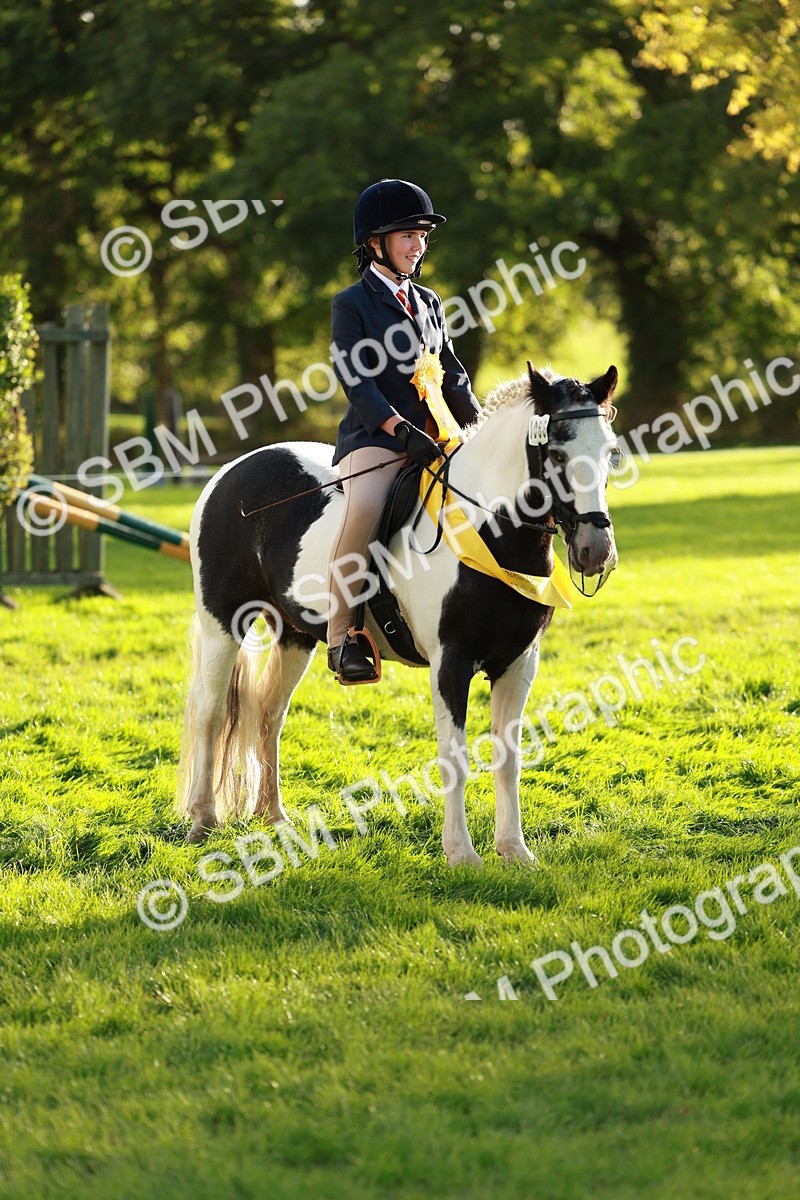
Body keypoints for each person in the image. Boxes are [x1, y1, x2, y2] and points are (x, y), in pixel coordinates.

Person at [326, 178, 481, 684]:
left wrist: (479, 425)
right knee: (366, 510)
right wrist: (398, 428)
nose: (419, 245)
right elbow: (358, 380)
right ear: (376, 243)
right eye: (408, 236)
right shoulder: (352, 304)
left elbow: (450, 371)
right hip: (376, 439)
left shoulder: (430, 301)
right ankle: (342, 638)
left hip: (436, 435)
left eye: (422, 236)